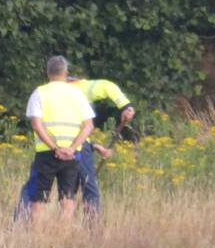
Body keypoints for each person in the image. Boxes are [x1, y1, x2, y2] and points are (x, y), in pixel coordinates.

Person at [13, 74, 135, 221]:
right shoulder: (80, 88)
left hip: (49, 146)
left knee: (34, 187)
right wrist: (126, 106)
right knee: (87, 186)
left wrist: (93, 146)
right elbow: (107, 86)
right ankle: (92, 225)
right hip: (77, 147)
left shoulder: (45, 91)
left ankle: (20, 221)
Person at [24, 55, 94, 219]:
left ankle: (37, 231)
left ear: (48, 73)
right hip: (72, 155)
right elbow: (89, 125)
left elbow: (36, 125)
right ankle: (64, 231)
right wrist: (71, 148)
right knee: (68, 198)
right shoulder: (78, 94)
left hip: (46, 153)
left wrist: (55, 148)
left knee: (38, 198)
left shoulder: (39, 93)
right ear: (66, 73)